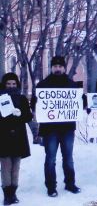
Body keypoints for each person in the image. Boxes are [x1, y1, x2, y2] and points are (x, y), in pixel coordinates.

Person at [32, 56, 81, 197]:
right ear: (51, 67)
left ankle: (70, 183)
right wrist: (35, 102)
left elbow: (78, 104)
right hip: (49, 129)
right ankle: (51, 187)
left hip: (67, 128)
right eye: (55, 66)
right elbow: (35, 106)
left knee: (68, 157)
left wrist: (81, 100)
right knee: (50, 158)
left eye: (60, 66)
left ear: (64, 68)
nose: (58, 68)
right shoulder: (42, 85)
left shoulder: (72, 85)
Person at [0, 73, 33, 205]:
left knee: (16, 167)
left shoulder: (22, 99)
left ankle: (13, 193)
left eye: (13, 84)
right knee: (6, 166)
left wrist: (21, 114)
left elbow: (28, 117)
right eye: (8, 84)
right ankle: (7, 194)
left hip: (19, 137)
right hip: (3, 136)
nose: (11, 86)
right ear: (4, 84)